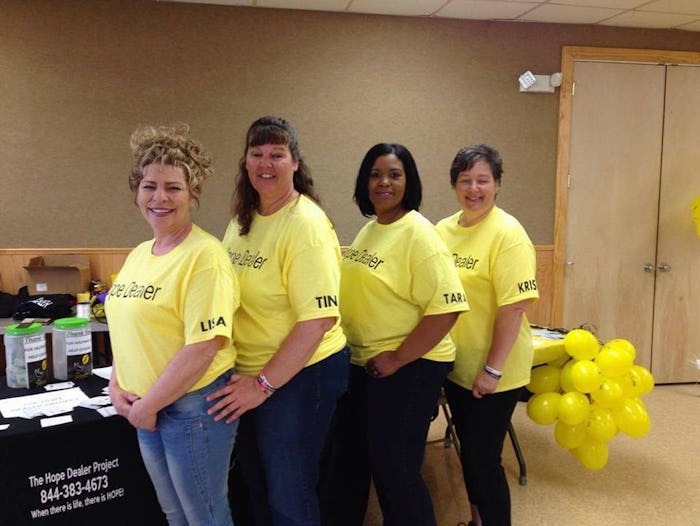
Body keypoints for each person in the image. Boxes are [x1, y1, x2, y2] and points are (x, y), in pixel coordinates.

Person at [206, 116, 349, 526]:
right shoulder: (244, 218)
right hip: (249, 372)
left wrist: (262, 385)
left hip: (300, 375)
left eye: (277, 155)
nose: (265, 164)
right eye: (257, 154)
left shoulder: (305, 225)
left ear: (296, 163)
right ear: (245, 161)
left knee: (289, 494)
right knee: (254, 485)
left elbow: (317, 321)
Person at [320, 143, 469, 526]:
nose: (383, 182)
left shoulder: (419, 233)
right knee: (349, 460)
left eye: (394, 175)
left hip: (409, 365)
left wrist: (398, 358)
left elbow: (447, 307)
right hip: (363, 362)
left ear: (409, 182)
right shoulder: (372, 229)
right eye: (375, 174)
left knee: (394, 468)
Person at [105, 124, 239, 525]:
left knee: (205, 516)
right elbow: (127, 328)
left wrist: (147, 407)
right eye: (149, 186)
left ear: (193, 195)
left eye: (173, 187)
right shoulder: (139, 254)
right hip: (145, 407)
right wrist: (116, 384)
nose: (159, 197)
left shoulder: (205, 257)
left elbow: (204, 346)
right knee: (174, 514)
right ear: (136, 193)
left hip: (191, 409)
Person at [436, 144, 539, 526]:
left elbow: (514, 308)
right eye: (466, 180)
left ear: (497, 184)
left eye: (483, 180)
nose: (474, 189)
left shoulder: (508, 234)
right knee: (470, 455)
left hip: (496, 370)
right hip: (457, 365)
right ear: (455, 184)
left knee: (484, 459)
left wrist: (492, 370)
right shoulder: (442, 230)